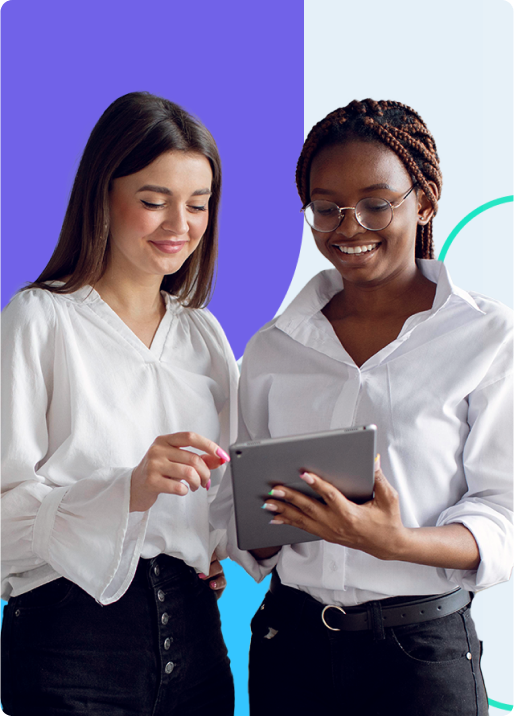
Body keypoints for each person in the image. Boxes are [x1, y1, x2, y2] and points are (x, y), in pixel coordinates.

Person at [212, 99, 514, 715]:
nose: (348, 227)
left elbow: (503, 512)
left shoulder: (487, 337)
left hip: (421, 655)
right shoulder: (273, 347)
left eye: (377, 203)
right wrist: (263, 532)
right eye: (326, 208)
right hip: (288, 645)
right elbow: (234, 508)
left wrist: (395, 541)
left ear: (423, 202)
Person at [0, 92, 238, 715]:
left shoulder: (204, 335)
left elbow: (226, 499)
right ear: (101, 194)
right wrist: (127, 490)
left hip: (195, 637)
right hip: (71, 639)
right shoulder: (40, 319)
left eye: (198, 205)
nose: (179, 225)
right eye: (154, 201)